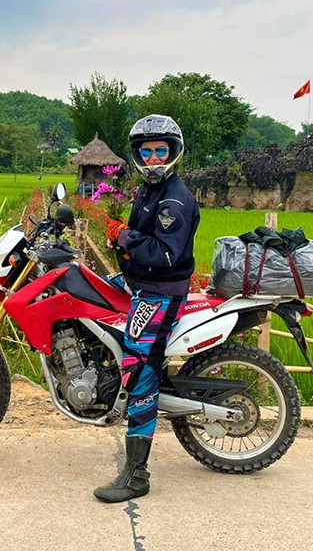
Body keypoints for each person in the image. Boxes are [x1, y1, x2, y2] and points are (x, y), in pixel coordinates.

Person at [95, 114, 200, 503]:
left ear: (173, 153)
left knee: (140, 371)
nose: (154, 158)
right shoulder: (146, 191)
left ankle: (137, 473)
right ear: (137, 155)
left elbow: (165, 253)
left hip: (159, 291)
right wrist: (120, 239)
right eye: (146, 151)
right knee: (90, 299)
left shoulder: (174, 198)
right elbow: (142, 242)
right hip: (140, 282)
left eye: (160, 151)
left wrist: (124, 234)